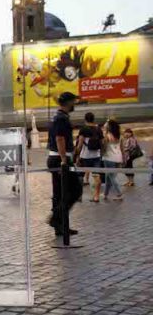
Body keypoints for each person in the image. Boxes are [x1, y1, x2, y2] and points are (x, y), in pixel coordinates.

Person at [46, 92, 80, 237]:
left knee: (59, 195)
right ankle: (56, 219)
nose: (75, 104)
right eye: (73, 101)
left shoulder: (59, 117)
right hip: (60, 159)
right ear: (67, 102)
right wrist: (64, 161)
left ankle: (61, 227)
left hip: (56, 158)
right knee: (75, 191)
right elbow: (60, 139)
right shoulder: (61, 118)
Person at [74, 113, 104, 203]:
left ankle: (79, 196)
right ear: (93, 119)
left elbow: (79, 145)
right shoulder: (98, 129)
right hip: (96, 156)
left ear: (85, 119)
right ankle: (96, 196)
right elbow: (102, 143)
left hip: (85, 156)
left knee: (80, 176)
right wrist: (101, 154)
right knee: (96, 176)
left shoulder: (83, 130)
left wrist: (77, 156)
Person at [101, 119, 124, 202]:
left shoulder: (107, 136)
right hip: (118, 158)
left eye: (106, 124)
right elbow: (122, 148)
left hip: (109, 158)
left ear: (109, 127)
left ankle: (119, 194)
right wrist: (123, 159)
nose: (104, 125)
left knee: (111, 177)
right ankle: (105, 194)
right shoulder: (119, 135)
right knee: (109, 177)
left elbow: (104, 148)